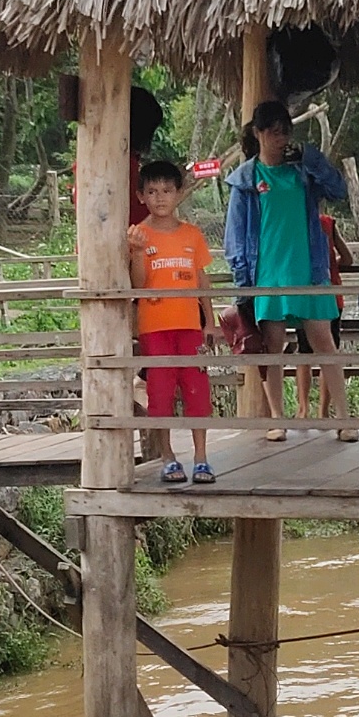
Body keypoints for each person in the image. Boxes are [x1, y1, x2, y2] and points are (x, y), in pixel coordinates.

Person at [229, 99, 351, 440]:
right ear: (258, 134)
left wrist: (312, 158)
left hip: (309, 270)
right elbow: (236, 238)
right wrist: (243, 287)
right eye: (273, 132)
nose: (281, 139)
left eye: (286, 132)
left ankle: (343, 419)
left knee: (325, 343)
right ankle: (278, 419)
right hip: (267, 273)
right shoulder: (245, 180)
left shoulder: (303, 171)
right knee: (273, 347)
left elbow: (337, 190)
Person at [128, 154, 215, 486]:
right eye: (152, 191)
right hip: (155, 327)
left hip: (190, 326)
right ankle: (167, 457)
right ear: (141, 196)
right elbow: (137, 285)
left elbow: (201, 280)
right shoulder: (138, 235)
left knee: (196, 391)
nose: (160, 198)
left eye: (167, 190)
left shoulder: (192, 235)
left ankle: (202, 458)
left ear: (180, 193)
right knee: (161, 394)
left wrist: (210, 321)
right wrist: (136, 252)